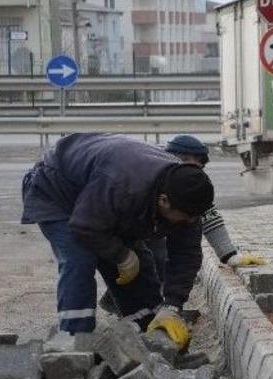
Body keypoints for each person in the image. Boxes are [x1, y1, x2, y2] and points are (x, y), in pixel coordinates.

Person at [21, 133, 215, 351]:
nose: (188, 222)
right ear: (164, 201)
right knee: (80, 258)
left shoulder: (186, 200)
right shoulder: (123, 184)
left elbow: (186, 255)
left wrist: (172, 306)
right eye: (185, 217)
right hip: (57, 191)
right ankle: (74, 341)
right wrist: (121, 255)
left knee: (140, 263)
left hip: (102, 200)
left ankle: (149, 332)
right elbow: (85, 226)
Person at [98, 134, 266, 315]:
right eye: (188, 161)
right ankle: (122, 303)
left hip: (150, 233)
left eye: (199, 164)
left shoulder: (191, 184)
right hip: (124, 231)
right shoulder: (151, 175)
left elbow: (209, 218)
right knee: (150, 259)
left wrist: (230, 255)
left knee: (164, 259)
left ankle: (156, 308)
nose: (194, 167)